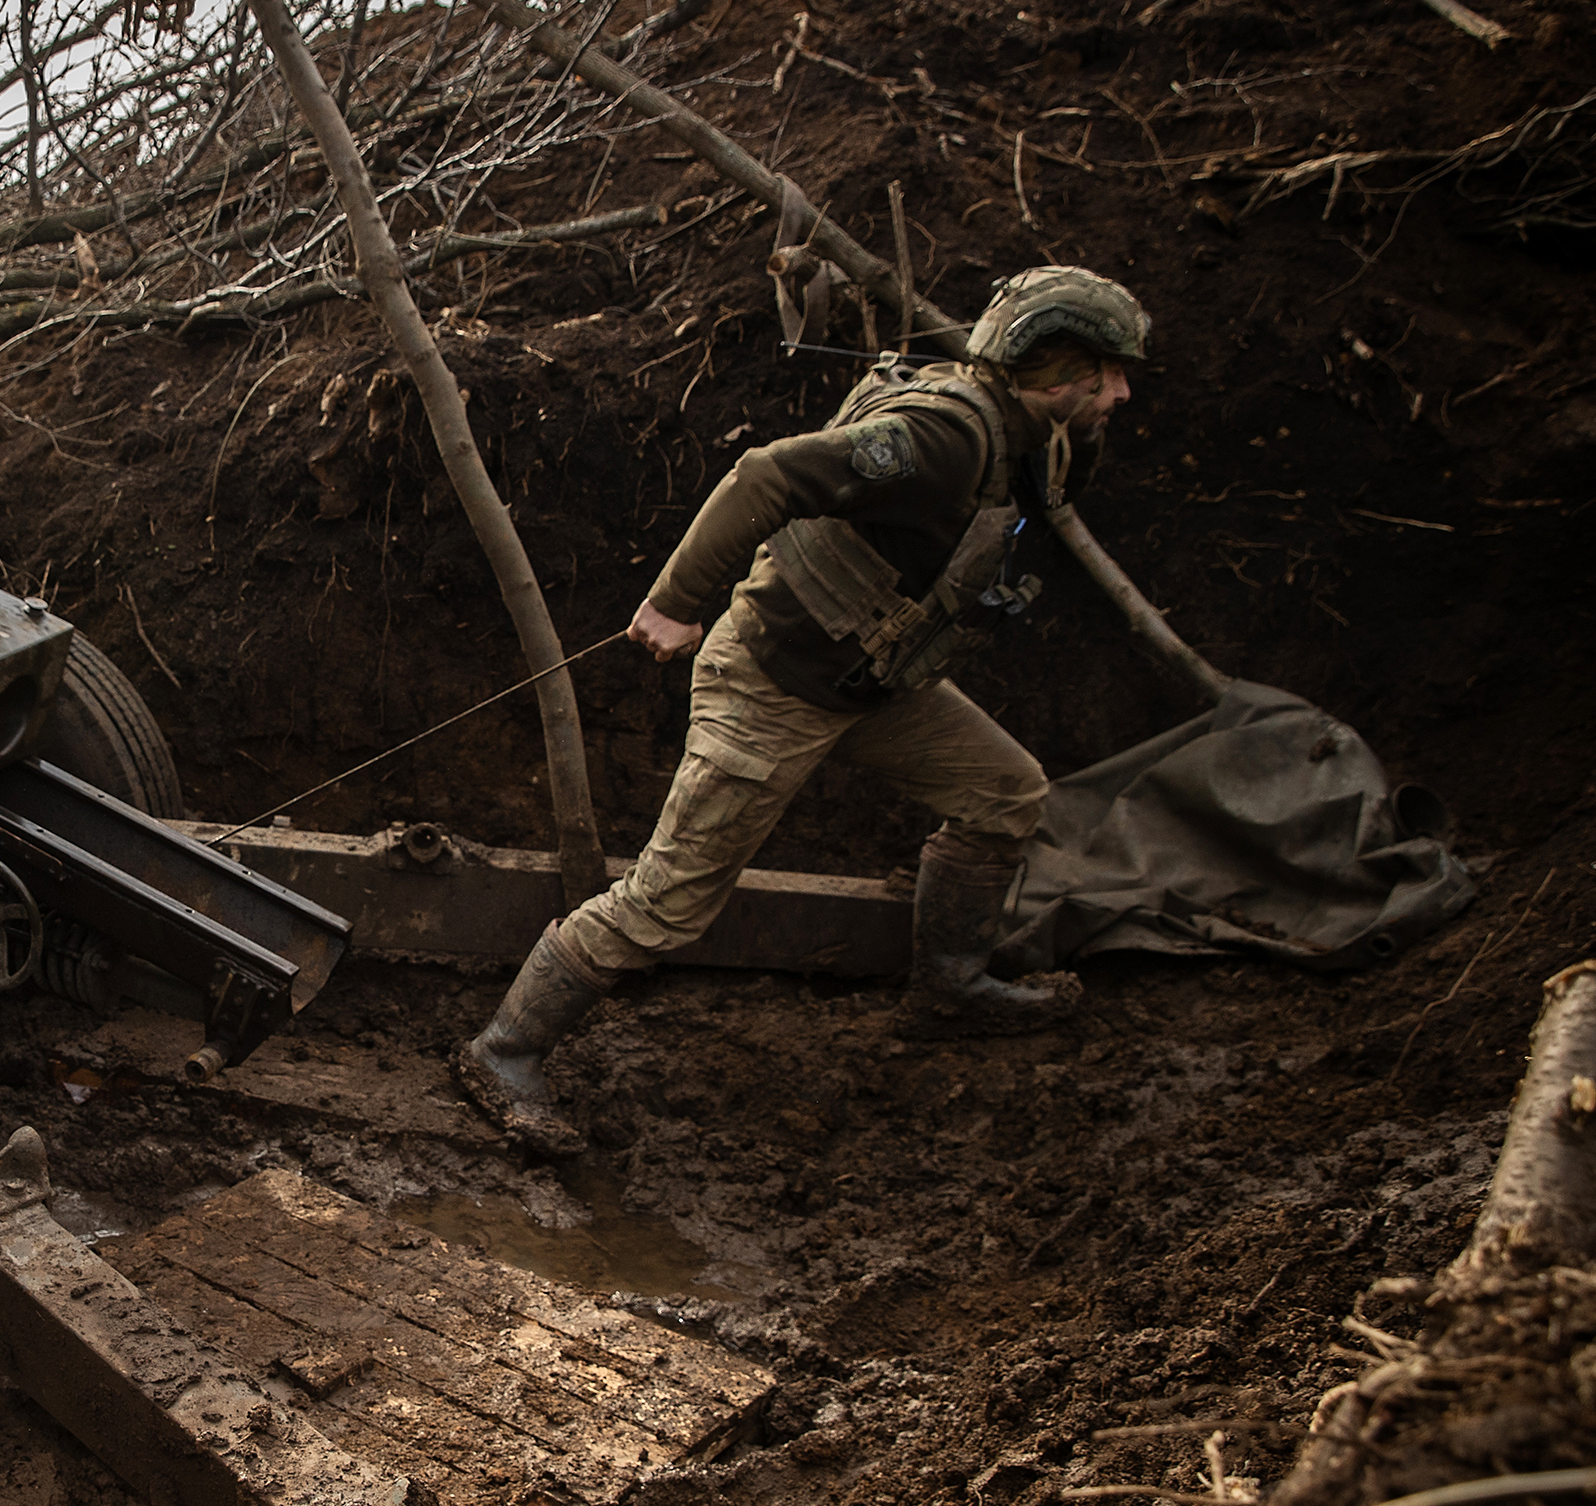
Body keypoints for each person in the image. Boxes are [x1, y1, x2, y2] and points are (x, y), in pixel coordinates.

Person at [456, 266, 1148, 1157]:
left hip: (874, 683)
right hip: (772, 685)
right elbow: (766, 474)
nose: (1124, 393)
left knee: (1005, 792)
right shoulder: (943, 437)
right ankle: (502, 1050)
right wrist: (677, 599)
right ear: (1054, 366)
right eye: (1108, 374)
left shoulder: (1032, 433)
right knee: (666, 905)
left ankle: (949, 988)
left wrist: (1078, 432)